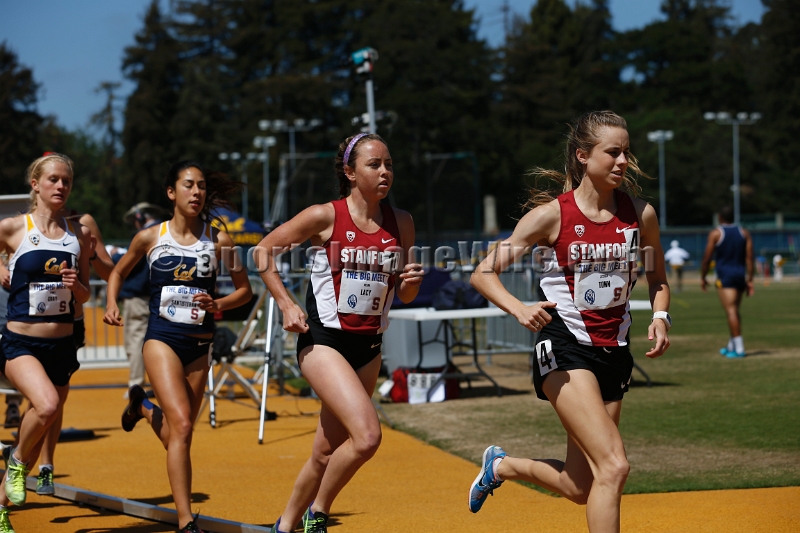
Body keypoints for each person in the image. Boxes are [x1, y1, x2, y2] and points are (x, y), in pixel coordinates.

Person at [467, 111, 670, 533]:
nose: (622, 162)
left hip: (613, 352)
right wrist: (521, 309)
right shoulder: (551, 216)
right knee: (614, 466)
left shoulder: (640, 215)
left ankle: (500, 467)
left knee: (582, 484)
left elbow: (658, 279)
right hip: (564, 345)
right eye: (612, 152)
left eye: (626, 153)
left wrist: (661, 316)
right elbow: (483, 273)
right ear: (583, 156)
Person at [256, 133, 424, 533]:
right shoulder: (325, 216)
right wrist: (286, 303)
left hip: (369, 347)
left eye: (389, 164)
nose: (385, 172)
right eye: (374, 164)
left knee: (324, 451)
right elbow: (263, 252)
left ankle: (284, 526)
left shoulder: (402, 222)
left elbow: (404, 293)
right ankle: (319, 513)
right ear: (349, 172)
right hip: (324, 343)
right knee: (366, 437)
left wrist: (412, 281)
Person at [104, 160, 252, 533]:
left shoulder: (218, 240)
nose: (197, 192)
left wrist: (218, 304)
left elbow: (244, 290)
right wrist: (110, 303)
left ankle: (142, 406)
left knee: (179, 433)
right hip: (162, 340)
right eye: (188, 185)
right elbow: (119, 271)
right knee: (183, 425)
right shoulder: (151, 237)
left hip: (199, 345)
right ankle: (186, 522)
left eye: (201, 186)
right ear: (172, 192)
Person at [0, 153, 93, 532]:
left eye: (66, 181)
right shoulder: (14, 228)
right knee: (48, 405)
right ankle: (18, 462)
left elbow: (85, 294)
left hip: (62, 345)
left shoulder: (78, 235)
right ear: (35, 184)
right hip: (20, 342)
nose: (60, 187)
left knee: (44, 420)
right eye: (53, 179)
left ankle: (2, 506)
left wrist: (77, 288)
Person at [114, 202, 168, 393]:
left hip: (138, 298)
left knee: (135, 343)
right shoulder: (168, 232)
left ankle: (136, 385)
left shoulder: (144, 236)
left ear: (140, 217)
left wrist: (114, 256)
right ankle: (160, 384)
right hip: (160, 297)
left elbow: (130, 265)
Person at [700, 206, 754, 358]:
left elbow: (707, 258)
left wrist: (703, 277)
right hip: (739, 275)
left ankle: (739, 349)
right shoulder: (744, 232)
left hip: (725, 276)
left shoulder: (716, 233)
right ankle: (731, 345)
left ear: (719, 217)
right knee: (734, 310)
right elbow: (750, 258)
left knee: (731, 311)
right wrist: (750, 280)